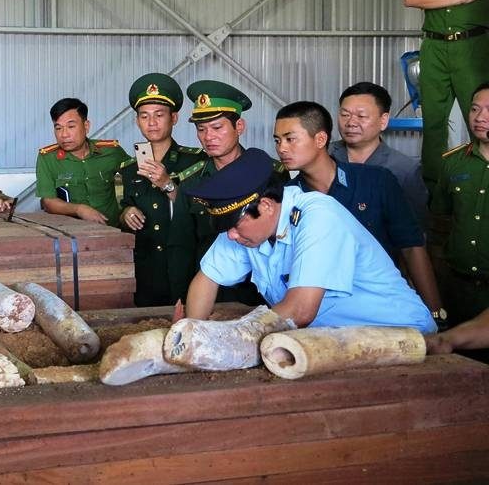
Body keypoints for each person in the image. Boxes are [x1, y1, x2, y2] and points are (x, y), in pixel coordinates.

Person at [183, 148, 436, 334]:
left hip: (399, 336)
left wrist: (228, 336)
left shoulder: (318, 217)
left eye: (235, 226)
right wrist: (193, 332)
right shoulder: (245, 230)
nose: (231, 236)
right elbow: (207, 278)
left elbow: (300, 310)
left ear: (267, 206)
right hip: (334, 338)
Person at [274, 101, 444, 319]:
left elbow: (411, 247)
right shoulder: (287, 198)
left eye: (290, 139)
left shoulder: (375, 181)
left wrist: (435, 311)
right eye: (277, 141)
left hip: (382, 309)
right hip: (324, 313)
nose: (282, 148)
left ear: (320, 139)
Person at [166, 80, 288, 304]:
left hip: (261, 294)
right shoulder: (192, 182)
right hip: (209, 292)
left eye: (217, 128)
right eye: (201, 129)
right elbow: (180, 248)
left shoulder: (273, 174)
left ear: (239, 127)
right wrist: (181, 299)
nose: (208, 137)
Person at [403, 0, 489, 190]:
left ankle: (483, 184)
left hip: (473, 47)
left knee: (481, 120)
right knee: (434, 123)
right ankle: (435, 191)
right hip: (434, 46)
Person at [118, 73, 207, 306]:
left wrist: (168, 184)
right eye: (144, 116)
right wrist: (126, 214)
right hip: (144, 270)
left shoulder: (195, 162)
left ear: (174, 118)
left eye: (159, 115)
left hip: (184, 268)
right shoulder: (128, 168)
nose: (152, 122)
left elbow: (202, 213)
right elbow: (123, 209)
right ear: (137, 121)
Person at [330, 81, 428, 229]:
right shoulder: (323, 156)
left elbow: (416, 229)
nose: (351, 122)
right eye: (345, 115)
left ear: (383, 121)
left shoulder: (404, 169)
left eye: (361, 116)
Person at [431, 83, 489, 328]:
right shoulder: (453, 162)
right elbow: (439, 221)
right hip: (458, 287)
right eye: (475, 109)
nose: (480, 117)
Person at [35, 98, 129, 226]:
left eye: (71, 126)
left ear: (86, 126)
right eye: (58, 128)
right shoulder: (48, 158)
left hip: (112, 231)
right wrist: (79, 209)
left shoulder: (111, 152)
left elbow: (137, 178)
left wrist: (129, 208)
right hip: (72, 234)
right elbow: (48, 201)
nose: (64, 135)